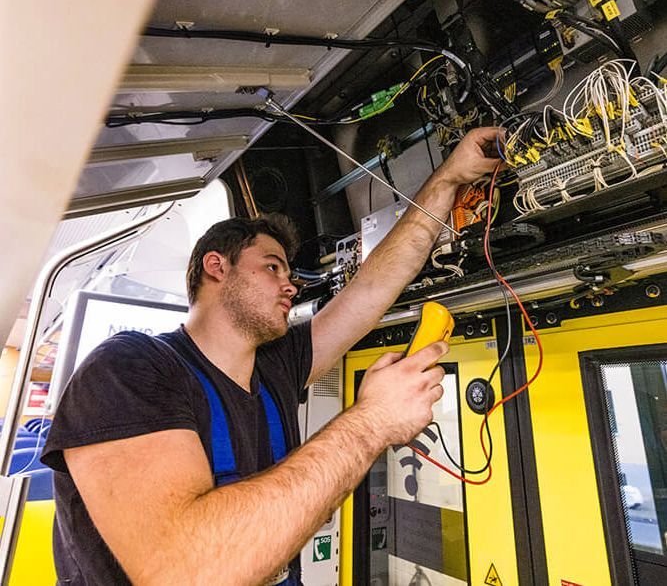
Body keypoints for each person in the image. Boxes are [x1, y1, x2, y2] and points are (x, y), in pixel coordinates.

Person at [42, 127, 502, 585]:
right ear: (216, 266)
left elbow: (372, 288)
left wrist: (447, 180)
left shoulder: (274, 366)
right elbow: (184, 570)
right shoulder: (127, 370)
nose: (291, 284)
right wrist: (372, 422)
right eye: (272, 267)